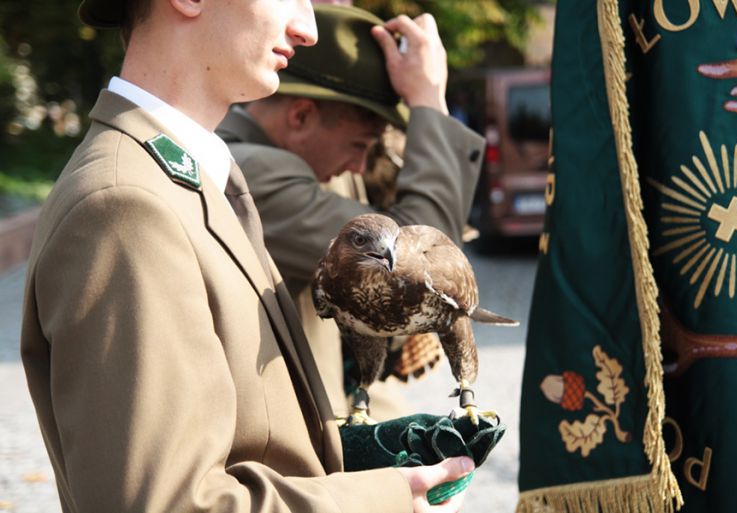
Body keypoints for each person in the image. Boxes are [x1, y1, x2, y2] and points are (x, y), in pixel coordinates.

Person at [19, 0, 474, 511]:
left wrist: (358, 456)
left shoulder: (194, 177)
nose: (307, 30)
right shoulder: (126, 205)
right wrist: (382, 499)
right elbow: (167, 502)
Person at [216, 4, 484, 420]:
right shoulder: (252, 171)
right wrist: (428, 99)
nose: (359, 166)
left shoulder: (297, 159)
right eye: (360, 145)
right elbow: (429, 254)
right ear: (301, 115)